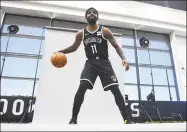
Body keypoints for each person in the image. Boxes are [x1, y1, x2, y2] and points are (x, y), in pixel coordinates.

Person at [56, 7, 133, 124]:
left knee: (116, 90)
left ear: (97, 17)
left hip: (104, 63)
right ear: (86, 17)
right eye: (89, 13)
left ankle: (127, 119)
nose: (92, 14)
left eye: (94, 12)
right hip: (90, 63)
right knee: (82, 87)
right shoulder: (81, 34)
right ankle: (73, 119)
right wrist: (61, 51)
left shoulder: (104, 31)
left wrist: (124, 59)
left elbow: (116, 46)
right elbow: (73, 47)